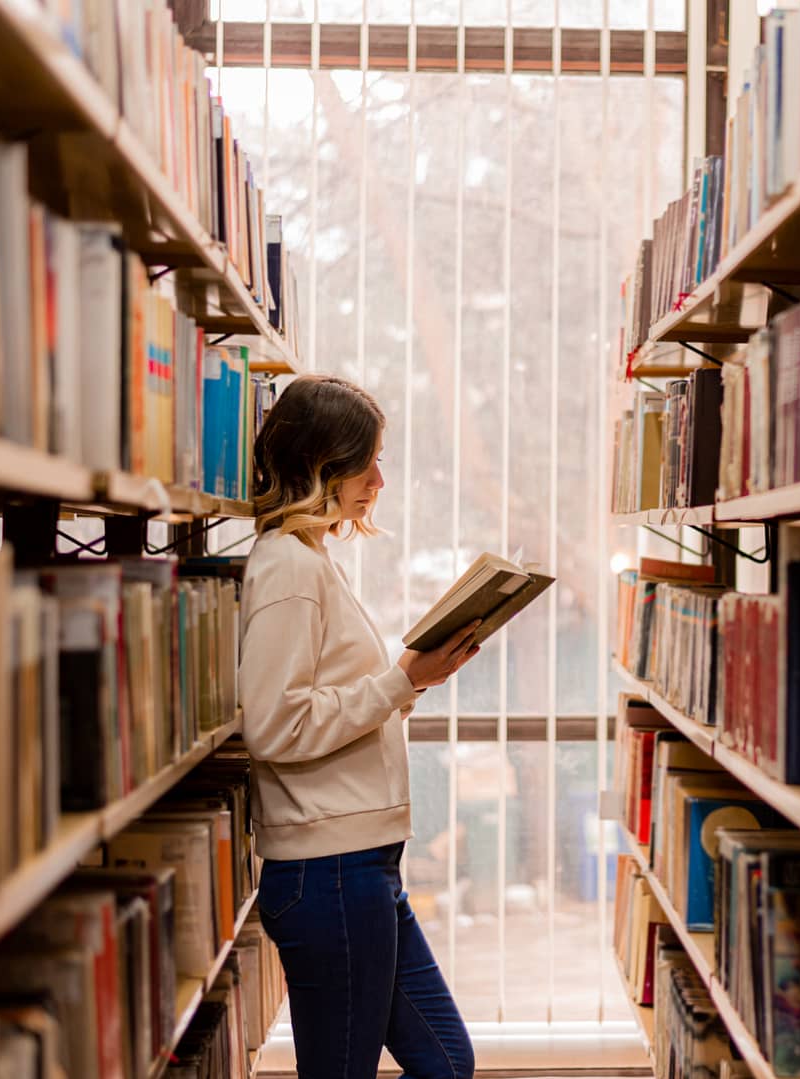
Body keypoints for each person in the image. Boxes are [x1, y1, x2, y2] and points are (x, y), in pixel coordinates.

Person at [240, 374, 480, 1079]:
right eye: (364, 462)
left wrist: (411, 676)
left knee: (445, 1062)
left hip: (361, 864)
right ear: (321, 465)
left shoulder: (309, 557)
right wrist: (401, 680)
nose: (378, 479)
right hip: (330, 870)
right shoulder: (287, 566)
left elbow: (331, 699)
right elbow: (276, 725)